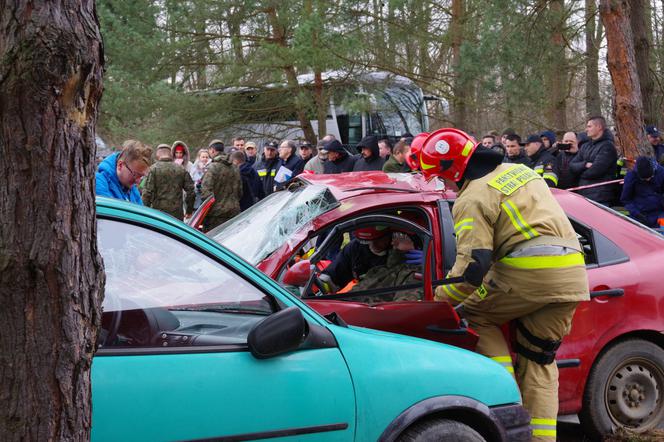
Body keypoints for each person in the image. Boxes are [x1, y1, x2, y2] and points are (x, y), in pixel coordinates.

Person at [419, 128, 589, 442]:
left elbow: (473, 267)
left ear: (452, 170)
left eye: (439, 178)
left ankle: (502, 390)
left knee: (474, 316)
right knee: (538, 359)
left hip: (528, 272)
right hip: (572, 273)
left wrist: (438, 301)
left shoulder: (471, 197)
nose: (442, 185)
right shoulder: (521, 171)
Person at [319, 226, 421, 294]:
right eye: (367, 241)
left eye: (377, 240)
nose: (372, 244)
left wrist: (431, 261)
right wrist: (320, 284)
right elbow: (333, 276)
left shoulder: (406, 253)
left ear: (390, 234)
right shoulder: (357, 248)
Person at [569, 116, 619, 205]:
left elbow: (596, 170)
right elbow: (572, 165)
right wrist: (584, 165)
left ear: (599, 127)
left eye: (589, 126)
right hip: (584, 194)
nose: (586, 129)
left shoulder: (607, 146)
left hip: (601, 196)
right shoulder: (585, 146)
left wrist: (579, 172)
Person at [142, 144, 195, 220]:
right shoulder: (181, 169)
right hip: (177, 215)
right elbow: (191, 191)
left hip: (158, 214)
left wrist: (145, 212)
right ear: (170, 154)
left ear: (158, 154)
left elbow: (146, 193)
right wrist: (189, 211)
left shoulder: (152, 170)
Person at [201, 140, 242, 231]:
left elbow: (206, 193)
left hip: (215, 216)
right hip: (233, 212)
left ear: (212, 150)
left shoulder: (212, 168)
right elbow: (240, 192)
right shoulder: (235, 168)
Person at [96, 139, 153, 204]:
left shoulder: (133, 191)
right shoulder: (99, 183)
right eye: (135, 175)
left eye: (142, 176)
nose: (138, 181)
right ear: (120, 165)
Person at [620, 156, 664, 227]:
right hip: (641, 215)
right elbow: (626, 199)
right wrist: (637, 214)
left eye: (650, 177)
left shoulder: (661, 172)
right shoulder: (631, 176)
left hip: (660, 213)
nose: (648, 180)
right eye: (644, 179)